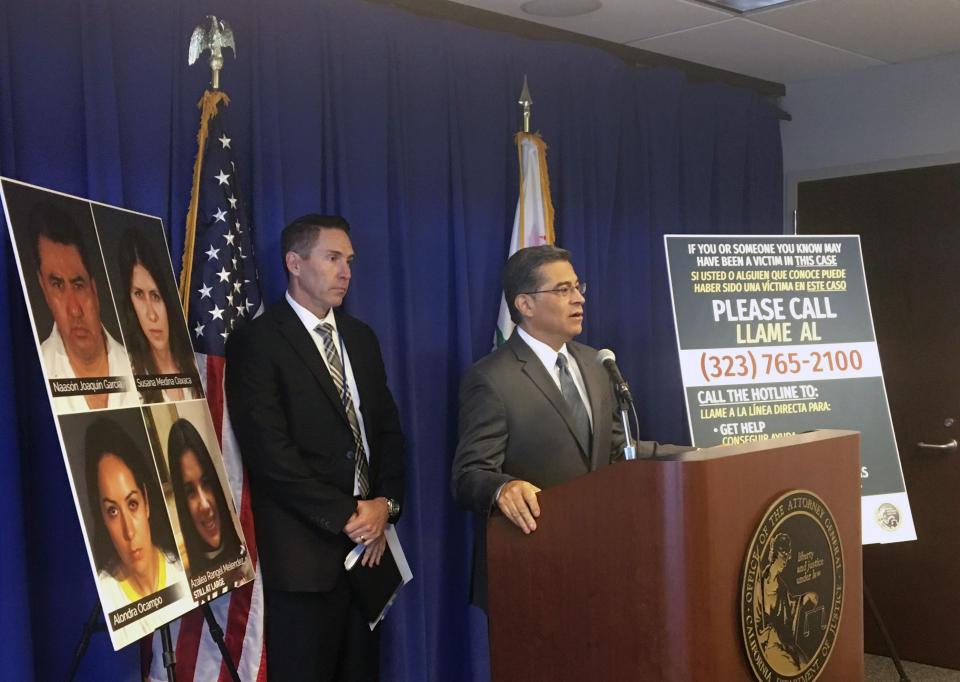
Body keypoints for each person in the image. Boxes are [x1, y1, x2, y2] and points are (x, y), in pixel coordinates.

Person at [451, 244, 689, 608]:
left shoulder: (596, 363)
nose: (578, 299)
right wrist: (503, 487)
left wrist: (697, 454)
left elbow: (616, 448)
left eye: (578, 288)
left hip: (599, 561)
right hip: (531, 568)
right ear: (525, 305)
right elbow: (469, 475)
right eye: (563, 290)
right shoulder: (491, 379)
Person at [225, 214, 405, 681]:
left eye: (349, 260)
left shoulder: (361, 338)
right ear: (294, 263)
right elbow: (270, 455)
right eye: (332, 258)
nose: (346, 271)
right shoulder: (257, 342)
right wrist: (350, 516)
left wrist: (386, 505)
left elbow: (387, 432)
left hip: (370, 558)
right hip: (305, 562)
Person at [30, 201, 136, 411]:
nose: (75, 310)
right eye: (57, 285)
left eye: (78, 285)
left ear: (94, 288)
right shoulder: (35, 376)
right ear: (43, 288)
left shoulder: (139, 367)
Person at [84, 416, 184, 609]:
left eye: (132, 504)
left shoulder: (180, 568)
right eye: (112, 511)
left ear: (146, 501)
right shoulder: (106, 596)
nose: (128, 531)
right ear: (102, 518)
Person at [116, 227, 202, 403]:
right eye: (139, 294)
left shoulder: (195, 366)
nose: (151, 315)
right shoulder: (126, 375)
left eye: (156, 296)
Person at [167, 418, 245, 580]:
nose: (204, 505)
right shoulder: (186, 582)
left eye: (207, 483)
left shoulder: (248, 556)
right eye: (190, 492)